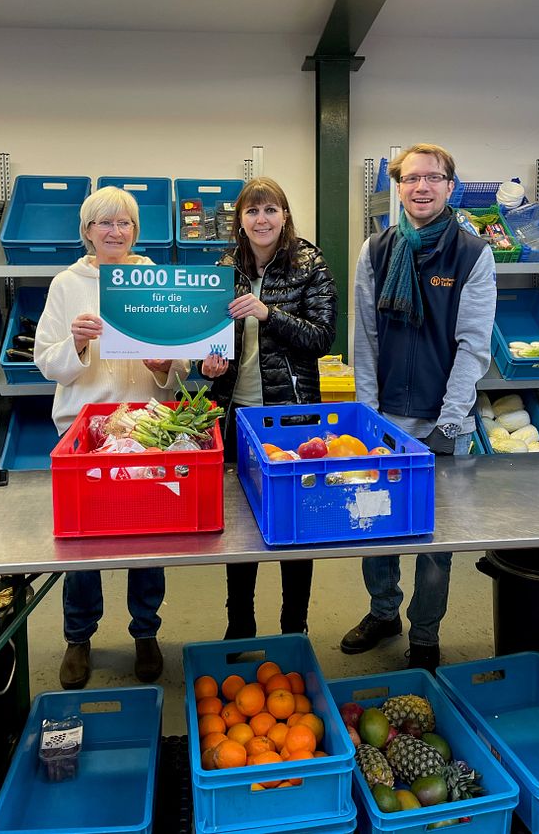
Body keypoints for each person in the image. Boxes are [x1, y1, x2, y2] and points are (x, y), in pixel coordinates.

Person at [340, 143, 496, 673]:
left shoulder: (472, 253)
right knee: (375, 523)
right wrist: (367, 413)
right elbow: (365, 337)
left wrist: (451, 420)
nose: (421, 187)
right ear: (398, 186)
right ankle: (383, 612)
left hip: (440, 417)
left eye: (434, 177)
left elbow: (473, 345)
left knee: (434, 541)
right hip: (384, 415)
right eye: (410, 178)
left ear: (451, 186)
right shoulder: (376, 250)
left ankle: (425, 634)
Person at [34, 185, 189, 690]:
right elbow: (46, 363)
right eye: (104, 223)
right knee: (83, 542)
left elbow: (181, 358)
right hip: (87, 430)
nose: (115, 231)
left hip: (147, 427)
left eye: (124, 223)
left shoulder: (154, 279)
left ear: (136, 231)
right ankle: (78, 637)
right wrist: (75, 342)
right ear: (87, 231)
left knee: (148, 537)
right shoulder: (65, 284)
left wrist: (166, 364)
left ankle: (145, 632)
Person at [200, 177, 337, 639]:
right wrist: (209, 367)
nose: (262, 220)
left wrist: (268, 313)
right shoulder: (225, 267)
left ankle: (293, 627)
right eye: (252, 211)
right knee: (239, 524)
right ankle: (239, 623)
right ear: (239, 220)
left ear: (284, 215)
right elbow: (210, 340)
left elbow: (322, 338)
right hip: (236, 414)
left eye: (270, 210)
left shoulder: (309, 263)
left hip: (291, 417)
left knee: (295, 521)